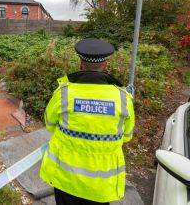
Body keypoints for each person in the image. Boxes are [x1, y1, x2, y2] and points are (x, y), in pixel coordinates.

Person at [39, 38, 135, 205]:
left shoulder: (64, 93)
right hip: (101, 185)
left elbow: (49, 124)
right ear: (105, 65)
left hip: (65, 179)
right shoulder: (123, 97)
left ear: (81, 64)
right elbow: (126, 135)